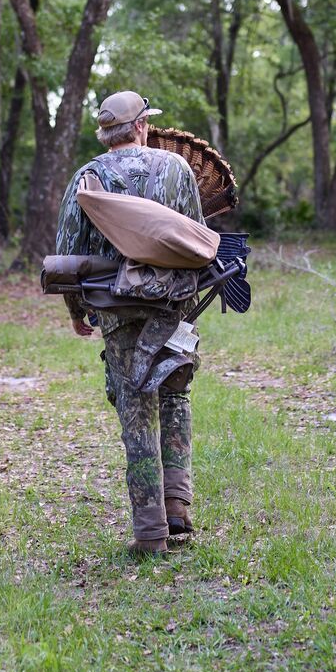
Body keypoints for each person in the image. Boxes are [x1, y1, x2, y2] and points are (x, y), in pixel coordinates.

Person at [55, 90, 205, 556]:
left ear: (106, 134)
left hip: (116, 312)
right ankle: (177, 504)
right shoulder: (177, 169)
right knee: (174, 393)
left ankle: (149, 533)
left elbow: (67, 253)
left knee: (136, 408)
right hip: (172, 306)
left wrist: (78, 313)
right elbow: (197, 240)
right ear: (141, 126)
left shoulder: (88, 176)